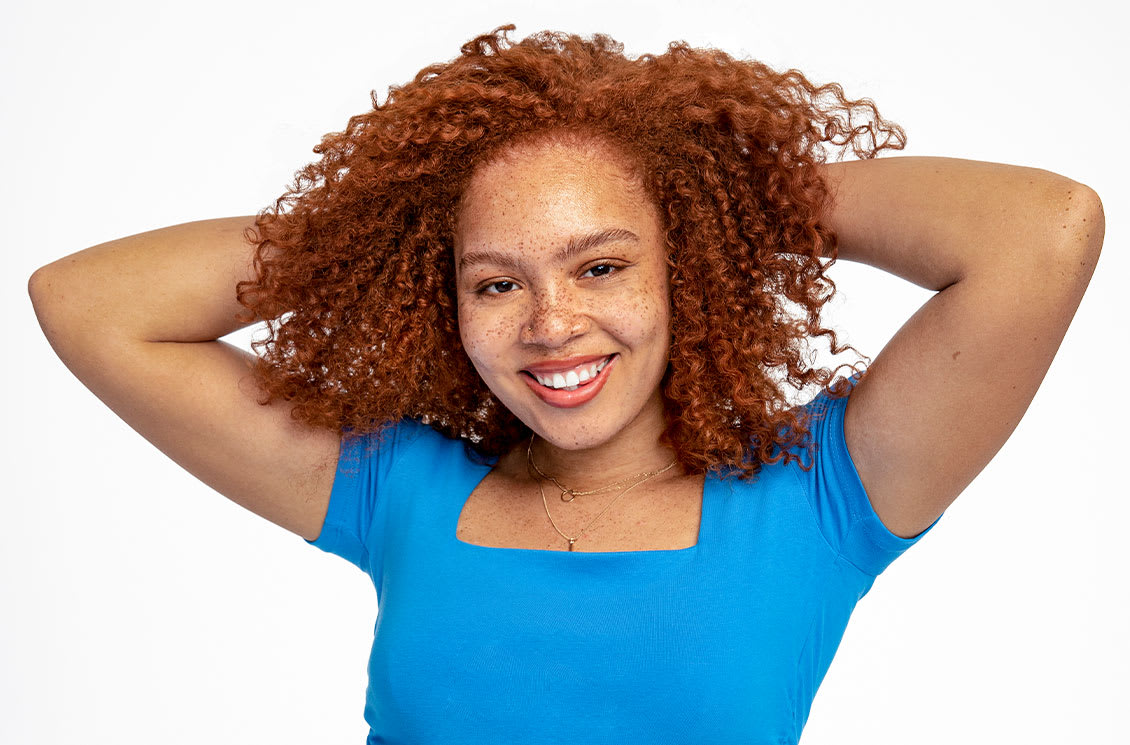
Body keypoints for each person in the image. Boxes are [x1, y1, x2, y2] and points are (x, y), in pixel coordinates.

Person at [28, 24, 1103, 744]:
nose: (551, 325)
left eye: (602, 264)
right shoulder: (396, 490)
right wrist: (388, 228)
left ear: (681, 262)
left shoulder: (815, 500)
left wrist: (716, 193)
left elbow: (1040, 233)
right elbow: (89, 303)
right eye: (495, 281)